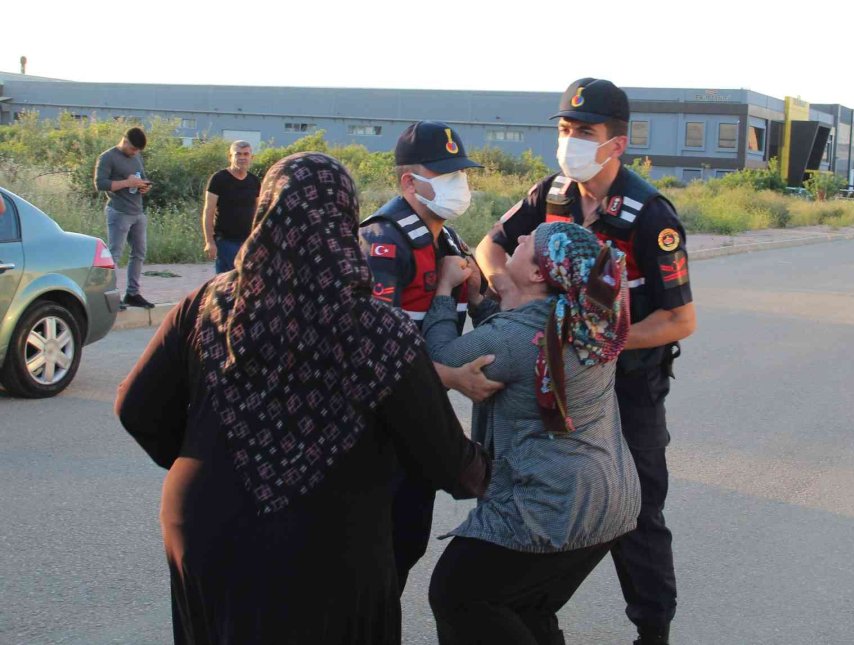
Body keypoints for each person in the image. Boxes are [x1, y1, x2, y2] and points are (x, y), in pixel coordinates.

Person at [115, 152, 490, 645]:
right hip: (333, 546)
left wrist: (210, 460)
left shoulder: (208, 301)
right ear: (344, 221)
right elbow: (444, 457)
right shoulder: (378, 329)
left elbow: (136, 408)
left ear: (264, 213)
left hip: (206, 527)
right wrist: (505, 471)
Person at [475, 78, 696, 645]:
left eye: (584, 133)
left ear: (616, 144)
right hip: (557, 382)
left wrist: (600, 344)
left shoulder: (650, 216)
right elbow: (489, 245)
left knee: (637, 513)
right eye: (565, 130)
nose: (570, 141)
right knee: (536, 490)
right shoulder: (551, 194)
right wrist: (503, 283)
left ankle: (652, 630)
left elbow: (679, 320)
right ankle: (530, 615)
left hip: (626, 388)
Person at [425, 222, 640, 645]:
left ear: (541, 273)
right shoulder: (587, 321)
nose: (520, 240)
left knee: (458, 594)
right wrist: (482, 301)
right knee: (527, 606)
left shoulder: (513, 339)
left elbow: (440, 358)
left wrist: (444, 292)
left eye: (529, 242)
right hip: (609, 499)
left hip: (552, 504)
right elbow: (522, 340)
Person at [359, 120, 503, 591]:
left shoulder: (450, 241)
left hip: (419, 416)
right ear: (409, 182)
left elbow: (484, 317)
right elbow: (372, 354)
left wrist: (479, 296)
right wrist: (454, 378)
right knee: (378, 551)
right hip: (377, 425)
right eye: (444, 175)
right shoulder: (384, 240)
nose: (458, 184)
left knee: (408, 540)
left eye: (460, 173)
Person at [94, 127, 154, 309]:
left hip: (137, 211)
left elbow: (141, 177)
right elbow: (100, 184)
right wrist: (127, 183)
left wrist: (144, 186)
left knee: (139, 253)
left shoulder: (136, 157)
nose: (135, 153)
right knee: (114, 254)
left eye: (138, 151)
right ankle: (110, 294)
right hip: (119, 212)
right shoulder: (107, 157)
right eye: (133, 149)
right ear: (125, 141)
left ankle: (133, 293)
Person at [202, 140, 261, 273]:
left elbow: (258, 211)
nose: (242, 158)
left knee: (246, 281)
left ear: (251, 157)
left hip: (248, 241)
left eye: (246, 154)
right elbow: (208, 211)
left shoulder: (254, 181)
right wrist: (209, 241)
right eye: (238, 154)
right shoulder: (218, 179)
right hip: (225, 241)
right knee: (226, 283)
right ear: (230, 157)